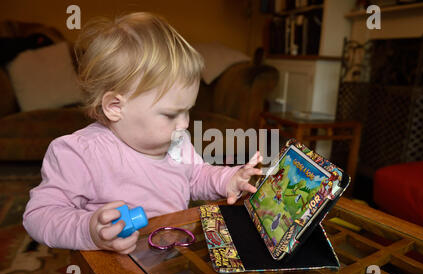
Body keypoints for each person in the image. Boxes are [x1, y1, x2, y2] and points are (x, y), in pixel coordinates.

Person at [23, 12, 262, 255]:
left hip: (173, 265)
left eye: (188, 111)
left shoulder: (177, 142)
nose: (184, 124)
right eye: (170, 114)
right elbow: (39, 215)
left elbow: (196, 176)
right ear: (115, 107)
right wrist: (90, 231)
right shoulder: (80, 153)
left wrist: (228, 180)